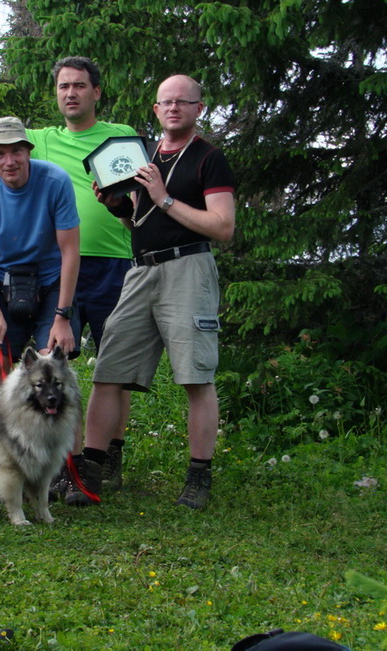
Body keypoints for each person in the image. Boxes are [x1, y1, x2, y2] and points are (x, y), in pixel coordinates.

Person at [0, 42, 134, 502]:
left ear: (96, 91)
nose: (71, 93)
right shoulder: (6, 170)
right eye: (64, 86)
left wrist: (61, 312)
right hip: (18, 278)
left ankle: (78, 465)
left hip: (88, 269)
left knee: (92, 372)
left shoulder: (116, 139)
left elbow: (75, 241)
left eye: (80, 85)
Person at [68, 74, 236, 510]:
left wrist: (162, 198)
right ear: (156, 110)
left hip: (188, 268)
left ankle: (199, 476)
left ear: (199, 108)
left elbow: (222, 227)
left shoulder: (209, 159)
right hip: (141, 271)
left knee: (196, 377)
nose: (174, 108)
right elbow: (139, 225)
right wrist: (118, 207)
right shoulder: (140, 157)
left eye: (184, 101)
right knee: (108, 371)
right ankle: (93, 470)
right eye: (166, 102)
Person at [0, 116, 81, 511]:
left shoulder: (55, 181)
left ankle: (66, 469)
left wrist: (62, 315)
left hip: (50, 286)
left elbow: (69, 251)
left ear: (27, 151)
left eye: (15, 151)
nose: (8, 160)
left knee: (58, 373)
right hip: (3, 286)